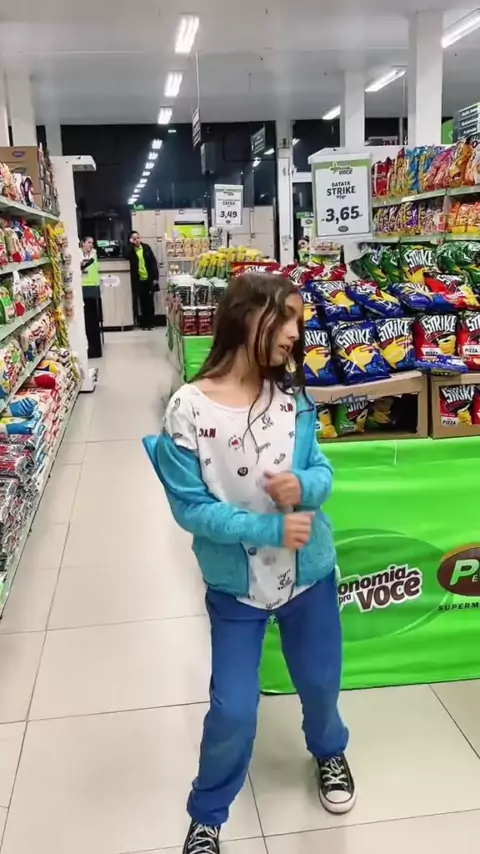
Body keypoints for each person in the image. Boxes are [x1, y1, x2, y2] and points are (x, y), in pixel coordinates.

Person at [143, 273, 355, 854]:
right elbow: (191, 509)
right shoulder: (188, 408)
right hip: (235, 588)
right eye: (286, 319)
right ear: (248, 316)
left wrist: (304, 486)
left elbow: (323, 471)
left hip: (309, 575)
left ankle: (330, 751)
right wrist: (268, 527)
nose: (294, 334)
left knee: (320, 682)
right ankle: (208, 814)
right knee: (233, 708)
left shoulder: (293, 397)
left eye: (298, 324)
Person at [126, 230, 159, 330]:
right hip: (138, 280)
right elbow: (125, 255)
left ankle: (151, 323)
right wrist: (131, 246)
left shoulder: (146, 248)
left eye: (138, 238)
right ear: (131, 240)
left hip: (149, 278)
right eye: (134, 239)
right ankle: (144, 324)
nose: (137, 240)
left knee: (150, 301)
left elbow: (153, 262)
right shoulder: (131, 251)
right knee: (142, 302)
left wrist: (155, 277)